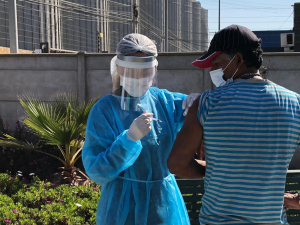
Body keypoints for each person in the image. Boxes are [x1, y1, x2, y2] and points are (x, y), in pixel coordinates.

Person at [167, 24, 300, 225]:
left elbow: (176, 164)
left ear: (238, 59)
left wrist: (218, 169)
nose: (212, 69)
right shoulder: (295, 104)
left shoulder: (207, 103)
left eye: (216, 62)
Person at [82, 33, 194, 225]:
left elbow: (197, 112)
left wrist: (198, 101)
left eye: (146, 71)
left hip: (164, 207)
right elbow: (96, 170)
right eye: (133, 70)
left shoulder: (163, 101)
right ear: (119, 68)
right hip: (121, 211)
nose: (140, 78)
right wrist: (129, 140)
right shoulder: (104, 110)